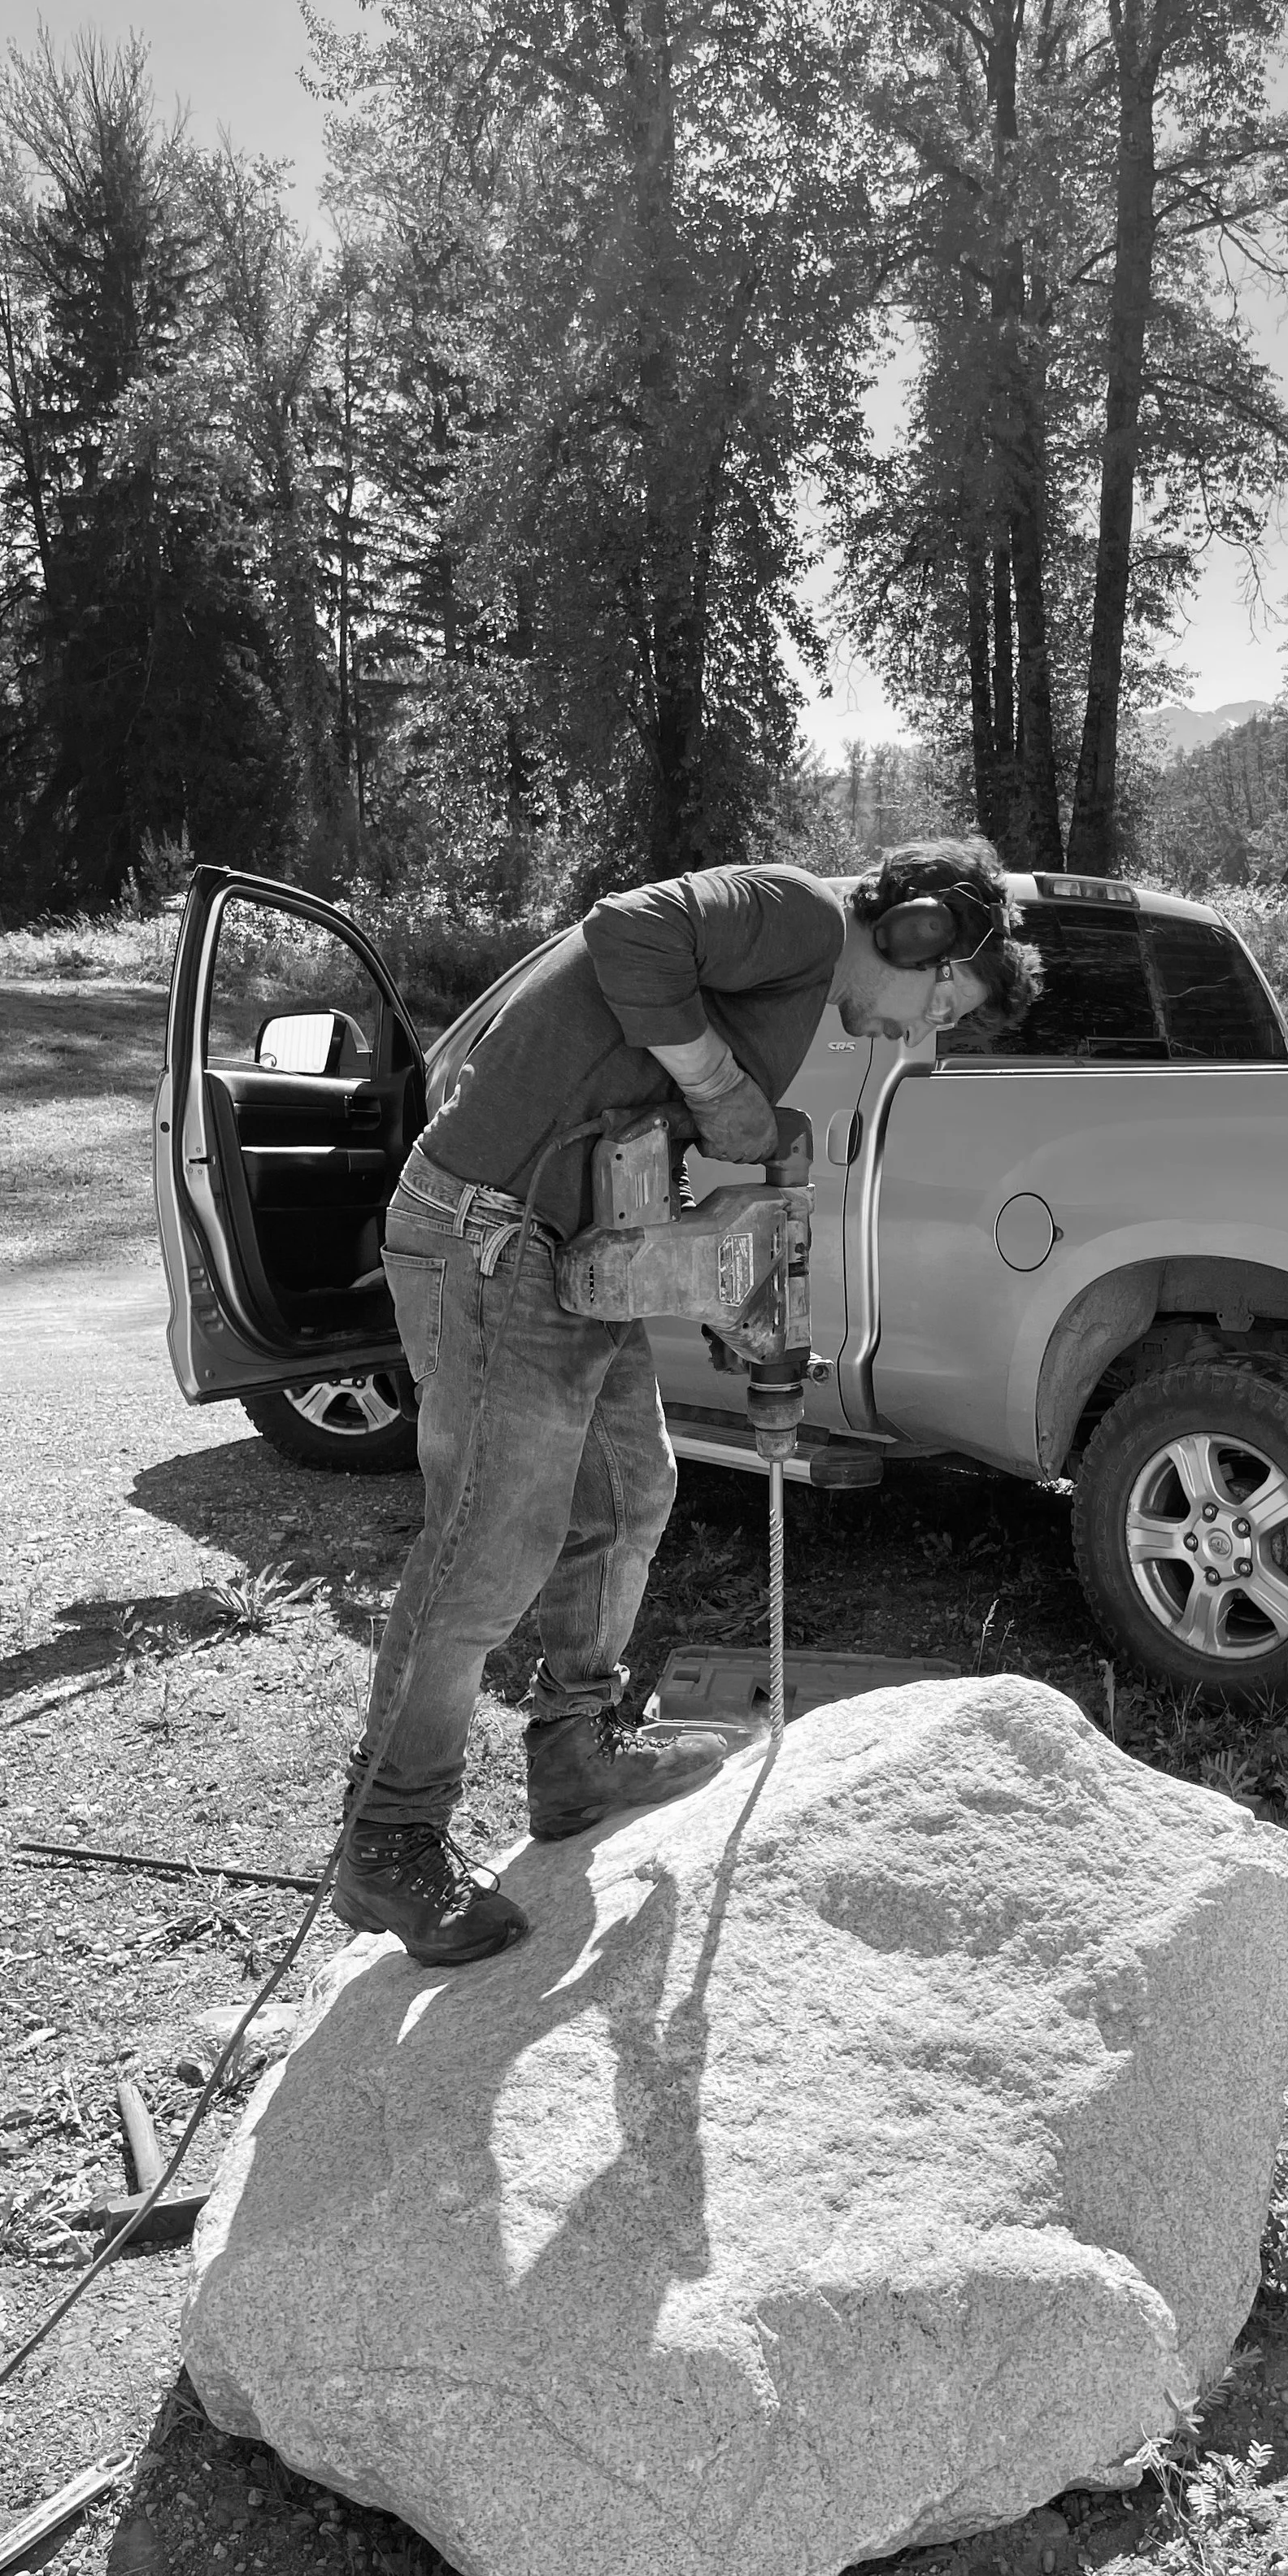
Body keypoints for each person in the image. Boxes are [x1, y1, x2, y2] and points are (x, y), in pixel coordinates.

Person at [331, 839, 1043, 1966]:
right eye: (937, 1000)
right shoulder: (801, 914)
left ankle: (575, 1753)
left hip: (564, 1241)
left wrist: (723, 1133)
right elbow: (625, 930)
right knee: (488, 1549)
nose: (917, 1033)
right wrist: (724, 1093)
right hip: (486, 1232)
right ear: (916, 932)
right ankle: (390, 1837)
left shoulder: (803, 976)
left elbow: (646, 1064)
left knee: (629, 1492)